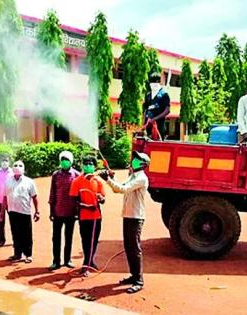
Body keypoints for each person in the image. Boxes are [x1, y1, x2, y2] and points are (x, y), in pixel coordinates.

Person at [99, 151, 150, 294]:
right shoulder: (133, 176)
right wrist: (111, 178)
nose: (133, 160)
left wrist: (107, 180)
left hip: (135, 217)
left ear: (143, 164)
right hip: (128, 215)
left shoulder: (141, 178)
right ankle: (134, 276)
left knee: (134, 248)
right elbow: (118, 188)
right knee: (128, 247)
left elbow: (122, 189)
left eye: (137, 159)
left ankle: (139, 280)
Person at [69, 155, 105, 277]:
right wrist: (86, 206)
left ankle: (90, 261)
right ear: (82, 166)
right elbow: (73, 201)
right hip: (84, 217)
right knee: (86, 240)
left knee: (94, 240)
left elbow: (103, 199)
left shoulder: (98, 181)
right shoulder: (77, 181)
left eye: (90, 164)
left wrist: (101, 198)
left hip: (97, 217)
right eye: (86, 164)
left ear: (94, 166)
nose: (88, 166)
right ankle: (86, 264)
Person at [48, 151, 80, 271]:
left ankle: (67, 260)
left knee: (69, 236)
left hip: (71, 212)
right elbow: (52, 193)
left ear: (71, 161)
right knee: (56, 237)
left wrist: (78, 211)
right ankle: (56, 261)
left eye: (66, 159)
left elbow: (79, 194)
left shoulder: (76, 175)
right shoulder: (56, 175)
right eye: (62, 159)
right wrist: (51, 210)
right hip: (57, 211)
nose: (64, 162)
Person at [4, 160, 40, 263]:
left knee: (26, 234)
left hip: (25, 212)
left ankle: (28, 255)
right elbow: (5, 197)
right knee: (15, 233)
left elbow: (34, 197)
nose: (17, 167)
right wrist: (2, 212)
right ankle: (17, 254)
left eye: (20, 165)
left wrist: (37, 211)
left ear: (23, 168)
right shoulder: (8, 181)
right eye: (15, 165)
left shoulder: (29, 181)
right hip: (12, 211)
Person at [142, 72, 170, 140]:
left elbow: (167, 111)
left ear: (158, 82)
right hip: (148, 127)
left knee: (158, 146)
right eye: (151, 83)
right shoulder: (148, 95)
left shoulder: (164, 95)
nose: (152, 85)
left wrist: (154, 119)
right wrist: (144, 123)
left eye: (154, 83)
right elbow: (146, 109)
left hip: (159, 127)